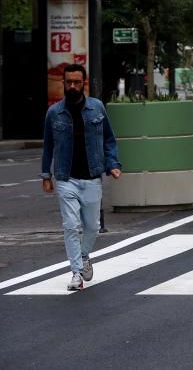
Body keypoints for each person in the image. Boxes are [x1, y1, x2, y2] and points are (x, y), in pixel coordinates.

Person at [41, 64, 122, 291]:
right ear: (64, 83)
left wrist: (113, 164)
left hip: (92, 176)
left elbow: (109, 139)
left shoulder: (97, 108)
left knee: (92, 226)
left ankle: (84, 255)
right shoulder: (54, 113)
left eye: (77, 82)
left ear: (84, 83)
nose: (73, 86)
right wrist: (46, 175)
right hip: (66, 177)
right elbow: (48, 146)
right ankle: (76, 272)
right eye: (69, 82)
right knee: (71, 225)